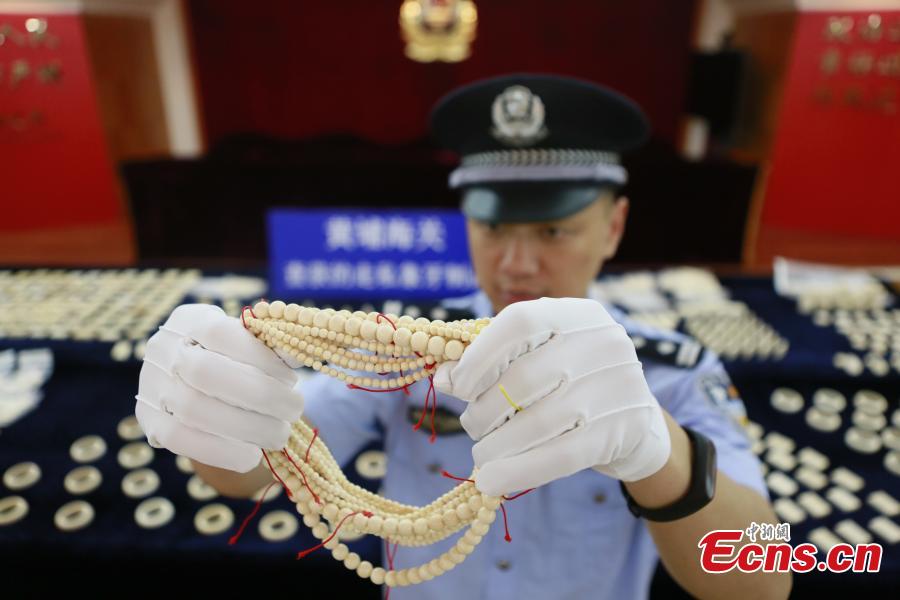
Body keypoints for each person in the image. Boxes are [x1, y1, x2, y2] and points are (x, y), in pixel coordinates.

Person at [135, 74, 791, 599]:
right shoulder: (410, 341)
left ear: (614, 226)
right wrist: (217, 413)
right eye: (494, 228)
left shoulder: (670, 370)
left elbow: (762, 582)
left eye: (552, 230)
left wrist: (661, 456)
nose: (516, 263)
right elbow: (259, 467)